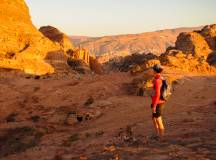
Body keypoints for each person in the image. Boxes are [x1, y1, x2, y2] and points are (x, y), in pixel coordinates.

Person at [150, 64, 165, 141]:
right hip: (156, 102)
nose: (151, 71)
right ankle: (157, 134)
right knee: (154, 119)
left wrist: (154, 106)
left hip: (158, 103)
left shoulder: (158, 81)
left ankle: (161, 138)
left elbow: (158, 94)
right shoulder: (159, 78)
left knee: (158, 120)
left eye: (152, 69)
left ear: (155, 70)